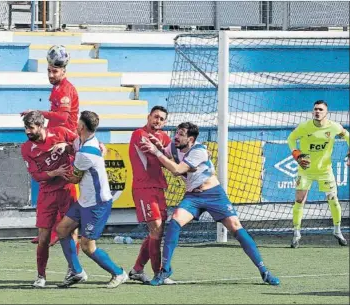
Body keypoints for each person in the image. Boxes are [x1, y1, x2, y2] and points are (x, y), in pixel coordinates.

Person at [140, 122, 280, 286]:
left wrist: (157, 151)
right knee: (174, 222)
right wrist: (160, 148)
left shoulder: (199, 150)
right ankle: (165, 270)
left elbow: (177, 170)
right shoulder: (173, 146)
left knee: (236, 228)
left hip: (214, 194)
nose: (176, 137)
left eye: (181, 134)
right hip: (193, 195)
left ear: (190, 139)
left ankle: (264, 271)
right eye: (176, 133)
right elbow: (167, 155)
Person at [56, 111, 128, 289]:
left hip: (97, 203)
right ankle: (76, 272)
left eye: (77, 123)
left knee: (87, 246)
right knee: (62, 229)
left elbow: (75, 178)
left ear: (81, 127)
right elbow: (73, 145)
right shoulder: (85, 140)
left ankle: (118, 273)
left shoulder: (86, 153)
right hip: (85, 200)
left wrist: (55, 173)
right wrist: (65, 146)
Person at [21, 45, 79, 246]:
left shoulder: (65, 90)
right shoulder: (57, 88)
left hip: (66, 139)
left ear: (64, 71)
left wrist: (39, 113)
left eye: (55, 71)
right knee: (49, 182)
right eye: (48, 70)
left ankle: (64, 229)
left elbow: (63, 117)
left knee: (64, 185)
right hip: (55, 139)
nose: (51, 74)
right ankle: (50, 229)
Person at [21, 111, 78, 288]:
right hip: (47, 194)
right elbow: (37, 175)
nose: (27, 132)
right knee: (43, 237)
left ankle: (73, 270)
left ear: (41, 126)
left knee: (72, 232)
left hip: (68, 189)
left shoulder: (61, 132)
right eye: (25, 128)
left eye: (30, 128)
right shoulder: (26, 148)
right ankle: (41, 275)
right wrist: (55, 173)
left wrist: (66, 146)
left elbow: (80, 144)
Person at [287, 100, 349, 248]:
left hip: (325, 171)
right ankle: (296, 233)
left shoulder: (333, 127)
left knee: (333, 200)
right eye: (315, 109)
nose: (317, 112)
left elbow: (347, 135)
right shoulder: (304, 127)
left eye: (321, 110)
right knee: (299, 200)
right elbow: (291, 139)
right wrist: (296, 153)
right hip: (305, 170)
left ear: (326, 112)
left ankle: (337, 230)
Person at [127, 106, 174, 284]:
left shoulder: (164, 137)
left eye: (162, 119)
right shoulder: (138, 134)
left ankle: (138, 269)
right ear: (148, 117)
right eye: (155, 117)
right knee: (155, 228)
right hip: (143, 188)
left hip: (158, 187)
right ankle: (158, 273)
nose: (158, 121)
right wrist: (165, 151)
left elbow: (175, 155)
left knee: (157, 231)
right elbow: (162, 158)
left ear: (165, 122)